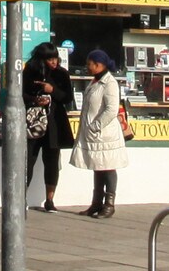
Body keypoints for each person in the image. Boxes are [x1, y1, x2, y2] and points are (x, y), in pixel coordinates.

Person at [69, 49, 128, 218]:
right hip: (94, 135)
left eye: (90, 64)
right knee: (97, 167)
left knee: (108, 168)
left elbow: (111, 109)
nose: (87, 67)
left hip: (105, 134)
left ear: (99, 64)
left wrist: (95, 125)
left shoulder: (109, 83)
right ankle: (96, 203)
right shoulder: (95, 81)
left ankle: (109, 204)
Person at [21, 42, 75, 213]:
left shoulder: (62, 74)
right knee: (28, 159)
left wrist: (52, 91)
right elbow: (20, 93)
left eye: (55, 58)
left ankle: (50, 199)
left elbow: (68, 98)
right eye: (49, 59)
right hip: (34, 122)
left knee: (52, 161)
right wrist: (35, 99)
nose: (54, 62)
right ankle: (21, 198)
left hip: (54, 123)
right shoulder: (29, 71)